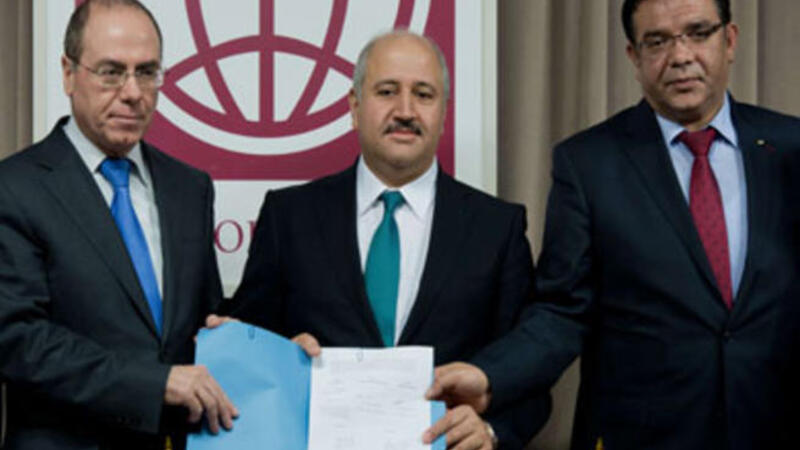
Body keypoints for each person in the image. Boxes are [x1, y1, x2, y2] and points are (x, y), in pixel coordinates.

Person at [427, 0, 800, 448]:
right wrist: (490, 375)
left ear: (730, 40)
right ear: (633, 57)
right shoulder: (589, 164)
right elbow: (562, 311)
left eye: (699, 33)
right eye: (657, 42)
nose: (681, 56)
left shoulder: (791, 148)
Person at [224, 30, 550, 450]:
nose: (405, 111)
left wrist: (491, 430)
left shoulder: (496, 228)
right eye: (387, 91)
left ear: (444, 113)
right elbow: (250, 354)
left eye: (424, 94)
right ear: (354, 106)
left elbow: (527, 375)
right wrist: (259, 353)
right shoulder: (289, 217)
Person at [0, 1, 237, 449]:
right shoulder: (14, 188)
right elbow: (17, 340)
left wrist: (268, 352)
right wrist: (154, 383)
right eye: (111, 72)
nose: (132, 92)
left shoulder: (190, 188)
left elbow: (200, 320)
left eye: (146, 72)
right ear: (69, 73)